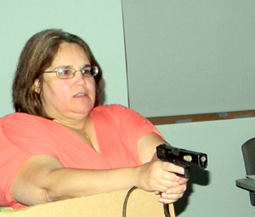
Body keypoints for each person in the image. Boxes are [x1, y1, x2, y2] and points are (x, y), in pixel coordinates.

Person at [0, 29, 187, 209]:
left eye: (86, 71)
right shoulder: (15, 128)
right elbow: (46, 186)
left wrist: (168, 174)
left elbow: (160, 154)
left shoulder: (119, 117)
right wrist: (138, 176)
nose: (81, 80)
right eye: (65, 72)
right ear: (36, 84)